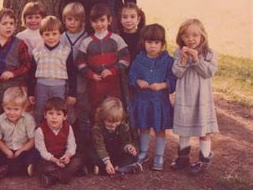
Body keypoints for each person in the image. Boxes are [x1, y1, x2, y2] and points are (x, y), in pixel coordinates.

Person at [171, 19, 218, 174]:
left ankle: (203, 160)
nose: (191, 39)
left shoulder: (209, 54)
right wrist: (184, 59)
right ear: (181, 38)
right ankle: (183, 158)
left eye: (195, 35)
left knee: (203, 131)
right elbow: (177, 73)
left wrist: (197, 59)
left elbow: (208, 73)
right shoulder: (178, 52)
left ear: (202, 36)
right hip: (185, 97)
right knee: (184, 129)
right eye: (186, 36)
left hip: (201, 98)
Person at [129, 24, 176, 171]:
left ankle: (159, 155)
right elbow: (131, 76)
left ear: (162, 44)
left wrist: (162, 85)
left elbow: (173, 79)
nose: (153, 46)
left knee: (159, 128)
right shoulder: (139, 59)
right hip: (142, 101)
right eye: (149, 42)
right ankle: (143, 152)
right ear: (143, 42)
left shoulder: (168, 61)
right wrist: (138, 81)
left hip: (159, 102)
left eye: (156, 43)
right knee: (143, 127)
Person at [76, 4, 130, 115]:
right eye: (95, 21)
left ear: (109, 20)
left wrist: (112, 70)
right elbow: (80, 63)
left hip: (113, 84)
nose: (99, 24)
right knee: (96, 111)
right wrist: (91, 74)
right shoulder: (87, 42)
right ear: (91, 23)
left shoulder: (117, 39)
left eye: (102, 20)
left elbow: (126, 59)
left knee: (114, 109)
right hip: (95, 85)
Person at [0, 8, 31, 124]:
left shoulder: (20, 44)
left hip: (14, 88)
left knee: (14, 117)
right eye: (4, 24)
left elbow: (27, 65)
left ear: (15, 26)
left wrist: (13, 73)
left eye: (11, 23)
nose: (8, 27)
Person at [28, 16, 77, 124]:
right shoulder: (37, 52)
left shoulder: (66, 51)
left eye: (54, 34)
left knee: (58, 111)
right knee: (40, 111)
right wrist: (31, 93)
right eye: (47, 34)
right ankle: (40, 134)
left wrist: (72, 94)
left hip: (59, 87)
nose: (51, 37)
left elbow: (72, 73)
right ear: (41, 35)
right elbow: (31, 74)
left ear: (60, 34)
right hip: (41, 87)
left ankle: (58, 136)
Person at [59, 2, 91, 153]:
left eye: (76, 19)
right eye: (69, 19)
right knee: (68, 111)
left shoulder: (86, 38)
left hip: (82, 81)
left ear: (82, 21)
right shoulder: (61, 37)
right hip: (65, 80)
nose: (72, 23)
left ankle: (85, 145)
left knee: (84, 111)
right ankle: (67, 143)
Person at [0, 87, 39, 179]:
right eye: (8, 108)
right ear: (3, 106)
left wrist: (21, 150)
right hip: (6, 151)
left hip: (22, 151)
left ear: (23, 108)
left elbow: (32, 140)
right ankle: (21, 170)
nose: (12, 112)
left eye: (16, 109)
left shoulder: (28, 120)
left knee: (35, 154)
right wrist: (6, 151)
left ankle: (4, 170)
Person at [34, 97, 84, 187]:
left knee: (78, 160)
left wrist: (68, 156)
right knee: (43, 167)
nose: (54, 117)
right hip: (49, 159)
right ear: (45, 115)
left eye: (58, 114)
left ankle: (52, 178)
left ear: (64, 117)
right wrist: (55, 160)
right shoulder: (40, 130)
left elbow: (72, 145)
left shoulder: (68, 127)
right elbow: (42, 151)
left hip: (63, 156)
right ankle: (65, 175)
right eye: (51, 113)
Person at [90, 97, 143, 175]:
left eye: (116, 122)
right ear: (103, 117)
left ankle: (113, 169)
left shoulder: (123, 126)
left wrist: (128, 147)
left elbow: (126, 141)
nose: (113, 125)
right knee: (92, 156)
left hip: (116, 152)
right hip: (102, 153)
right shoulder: (97, 128)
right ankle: (118, 168)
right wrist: (107, 162)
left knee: (133, 156)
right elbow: (99, 146)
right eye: (110, 122)